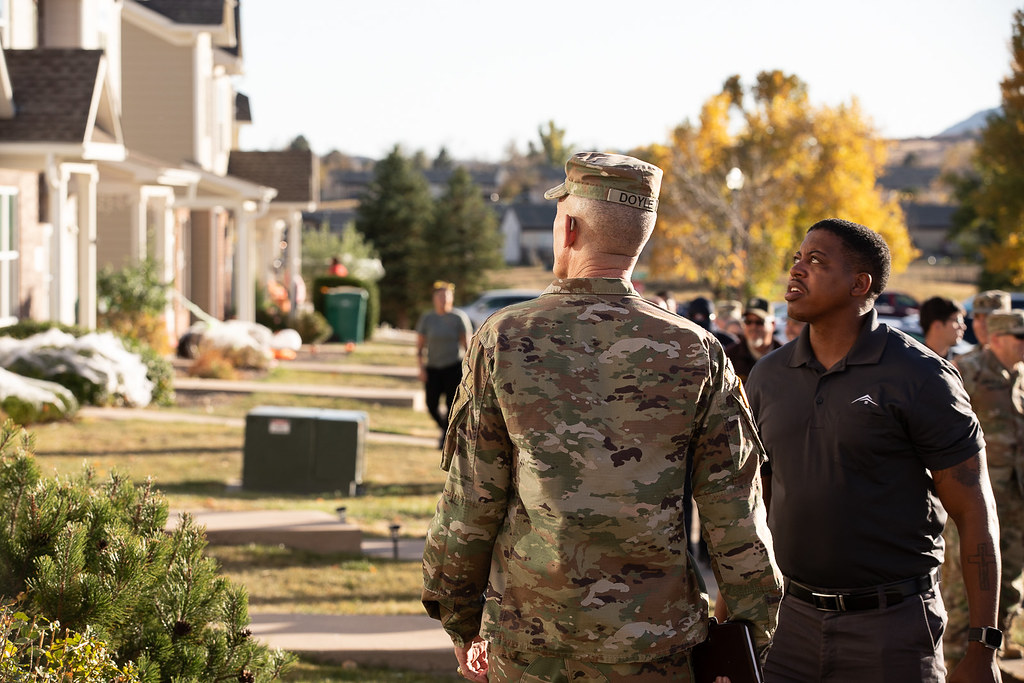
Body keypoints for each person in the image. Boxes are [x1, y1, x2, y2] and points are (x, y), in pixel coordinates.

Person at [422, 152, 782, 682]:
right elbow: (737, 518)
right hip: (657, 649)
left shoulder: (505, 338)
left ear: (568, 229)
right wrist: (751, 637)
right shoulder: (698, 351)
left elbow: (471, 500)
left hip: (530, 646)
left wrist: (459, 619)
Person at [744, 218, 1002, 683]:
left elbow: (974, 511)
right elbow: (755, 501)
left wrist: (984, 645)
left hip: (892, 629)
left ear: (859, 284)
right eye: (797, 258)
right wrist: (733, 612)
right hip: (788, 624)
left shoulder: (922, 376)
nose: (796, 269)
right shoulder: (767, 376)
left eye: (816, 261)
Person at [951, 311, 1024, 659]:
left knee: (1010, 573)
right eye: (1019, 337)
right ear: (996, 339)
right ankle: (956, 656)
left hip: (1015, 494)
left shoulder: (1020, 375)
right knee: (966, 579)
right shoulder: (968, 371)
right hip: (975, 496)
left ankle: (997, 646)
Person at [415, 281, 472, 448]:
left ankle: (445, 438)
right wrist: (421, 368)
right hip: (433, 368)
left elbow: (467, 346)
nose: (443, 299)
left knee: (450, 405)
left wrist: (469, 369)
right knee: (431, 404)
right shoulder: (428, 318)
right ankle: (446, 430)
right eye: (440, 296)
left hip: (453, 367)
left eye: (446, 296)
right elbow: (419, 346)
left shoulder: (458, 317)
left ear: (452, 298)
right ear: (434, 298)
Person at [725, 297, 782, 382]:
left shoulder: (785, 356)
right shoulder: (730, 356)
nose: (753, 327)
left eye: (759, 322)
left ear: (773, 324)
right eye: (748, 321)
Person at [920, 296, 967, 360]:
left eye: (963, 322)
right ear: (937, 325)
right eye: (957, 321)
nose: (963, 327)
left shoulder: (959, 362)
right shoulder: (912, 361)